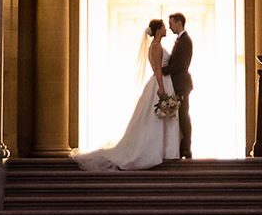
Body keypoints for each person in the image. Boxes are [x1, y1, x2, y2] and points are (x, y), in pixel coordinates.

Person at [76, 19, 174, 171]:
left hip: (159, 83)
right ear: (157, 30)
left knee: (153, 118)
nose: (166, 29)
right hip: (159, 84)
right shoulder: (156, 46)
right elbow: (158, 70)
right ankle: (149, 152)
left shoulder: (156, 45)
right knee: (154, 119)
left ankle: (160, 150)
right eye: (163, 27)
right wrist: (161, 89)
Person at [162, 11, 193, 159]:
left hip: (181, 84)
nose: (170, 27)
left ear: (179, 23)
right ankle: (181, 147)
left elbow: (180, 64)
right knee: (180, 116)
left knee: (183, 116)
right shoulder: (181, 40)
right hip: (177, 84)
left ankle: (186, 148)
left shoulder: (186, 40)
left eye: (171, 24)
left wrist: (162, 71)